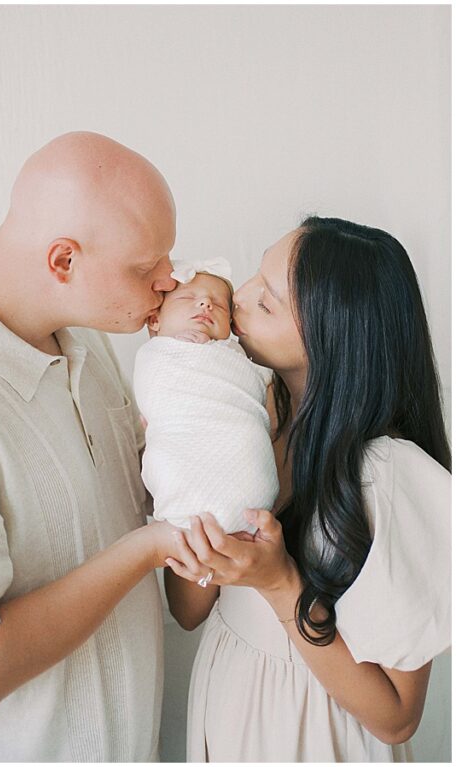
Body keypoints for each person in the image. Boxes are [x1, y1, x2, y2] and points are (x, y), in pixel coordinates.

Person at [164, 217, 451, 761]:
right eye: (254, 276)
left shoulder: (386, 475)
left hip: (315, 737)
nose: (238, 297)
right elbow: (187, 609)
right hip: (230, 716)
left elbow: (397, 718)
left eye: (267, 303)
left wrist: (279, 584)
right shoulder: (249, 421)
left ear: (333, 341)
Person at [0, 131, 181, 761]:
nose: (169, 280)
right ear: (63, 262)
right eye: (145, 267)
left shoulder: (86, 337)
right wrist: (144, 553)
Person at [134, 259, 278, 535]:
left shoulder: (237, 358)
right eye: (188, 298)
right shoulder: (158, 356)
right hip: (182, 452)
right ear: (155, 320)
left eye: (219, 306)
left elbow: (250, 391)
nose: (205, 305)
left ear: (231, 328)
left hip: (244, 457)